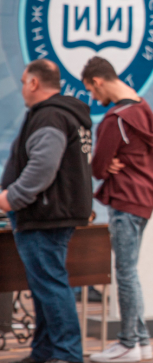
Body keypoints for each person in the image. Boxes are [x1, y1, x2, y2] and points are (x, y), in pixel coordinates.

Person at [0, 59, 92, 363]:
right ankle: (44, 351)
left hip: (44, 215)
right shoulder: (63, 114)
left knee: (51, 286)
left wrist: (11, 197)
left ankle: (66, 354)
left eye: (24, 82)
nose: (22, 88)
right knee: (44, 287)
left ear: (34, 83)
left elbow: (43, 166)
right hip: (51, 213)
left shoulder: (50, 115)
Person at [82, 57, 153, 363]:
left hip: (124, 200)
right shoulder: (143, 108)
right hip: (143, 201)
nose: (93, 97)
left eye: (91, 90)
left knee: (125, 273)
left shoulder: (114, 120)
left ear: (97, 81)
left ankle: (128, 342)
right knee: (131, 273)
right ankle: (141, 341)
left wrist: (103, 163)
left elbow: (98, 168)